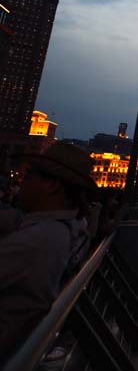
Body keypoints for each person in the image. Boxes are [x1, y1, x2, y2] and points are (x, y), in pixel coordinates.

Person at [0, 143, 97, 358]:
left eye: (30, 175)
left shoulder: (37, 241)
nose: (21, 181)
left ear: (52, 185)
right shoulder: (68, 232)